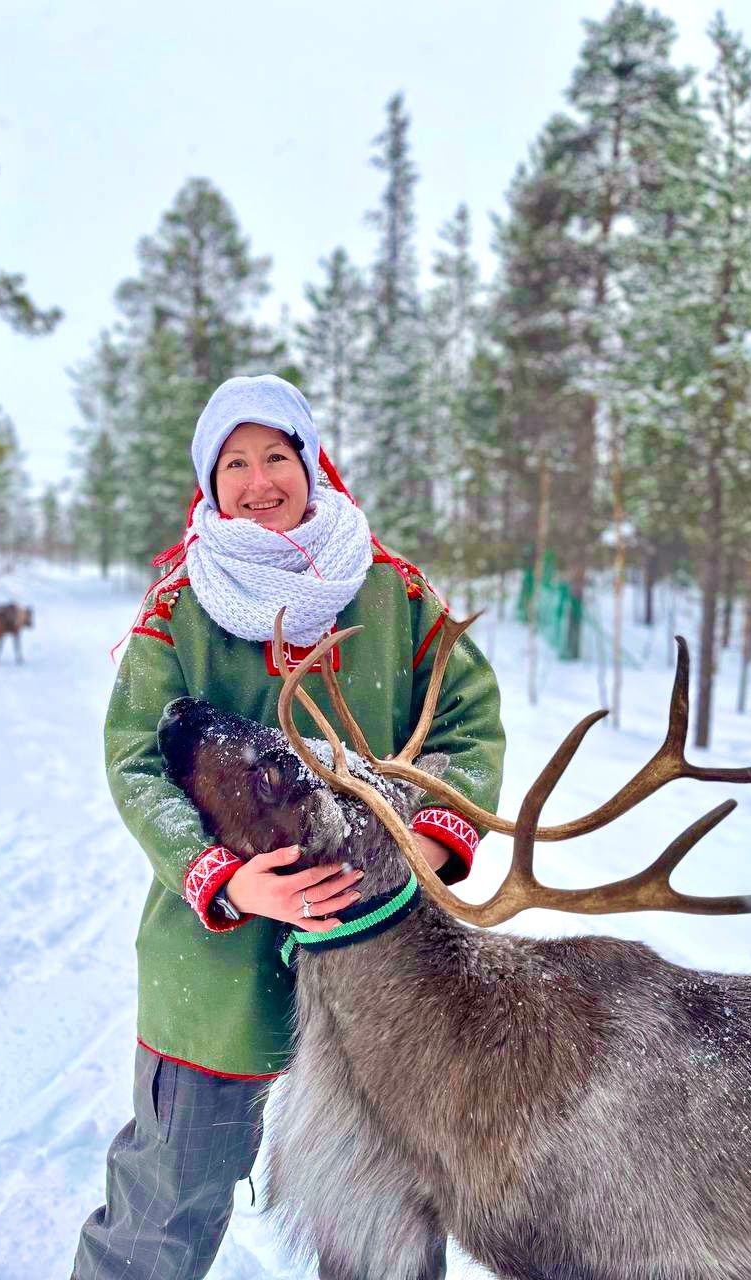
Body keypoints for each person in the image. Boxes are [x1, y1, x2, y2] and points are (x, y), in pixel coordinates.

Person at [71, 374, 505, 1280]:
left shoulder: (390, 593)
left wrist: (425, 837)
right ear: (210, 481)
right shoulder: (179, 606)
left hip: (382, 971)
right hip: (216, 968)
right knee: (168, 1202)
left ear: (311, 467)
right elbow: (137, 761)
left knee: (380, 1222)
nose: (260, 479)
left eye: (278, 456)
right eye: (236, 461)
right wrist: (223, 879)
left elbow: (470, 722)